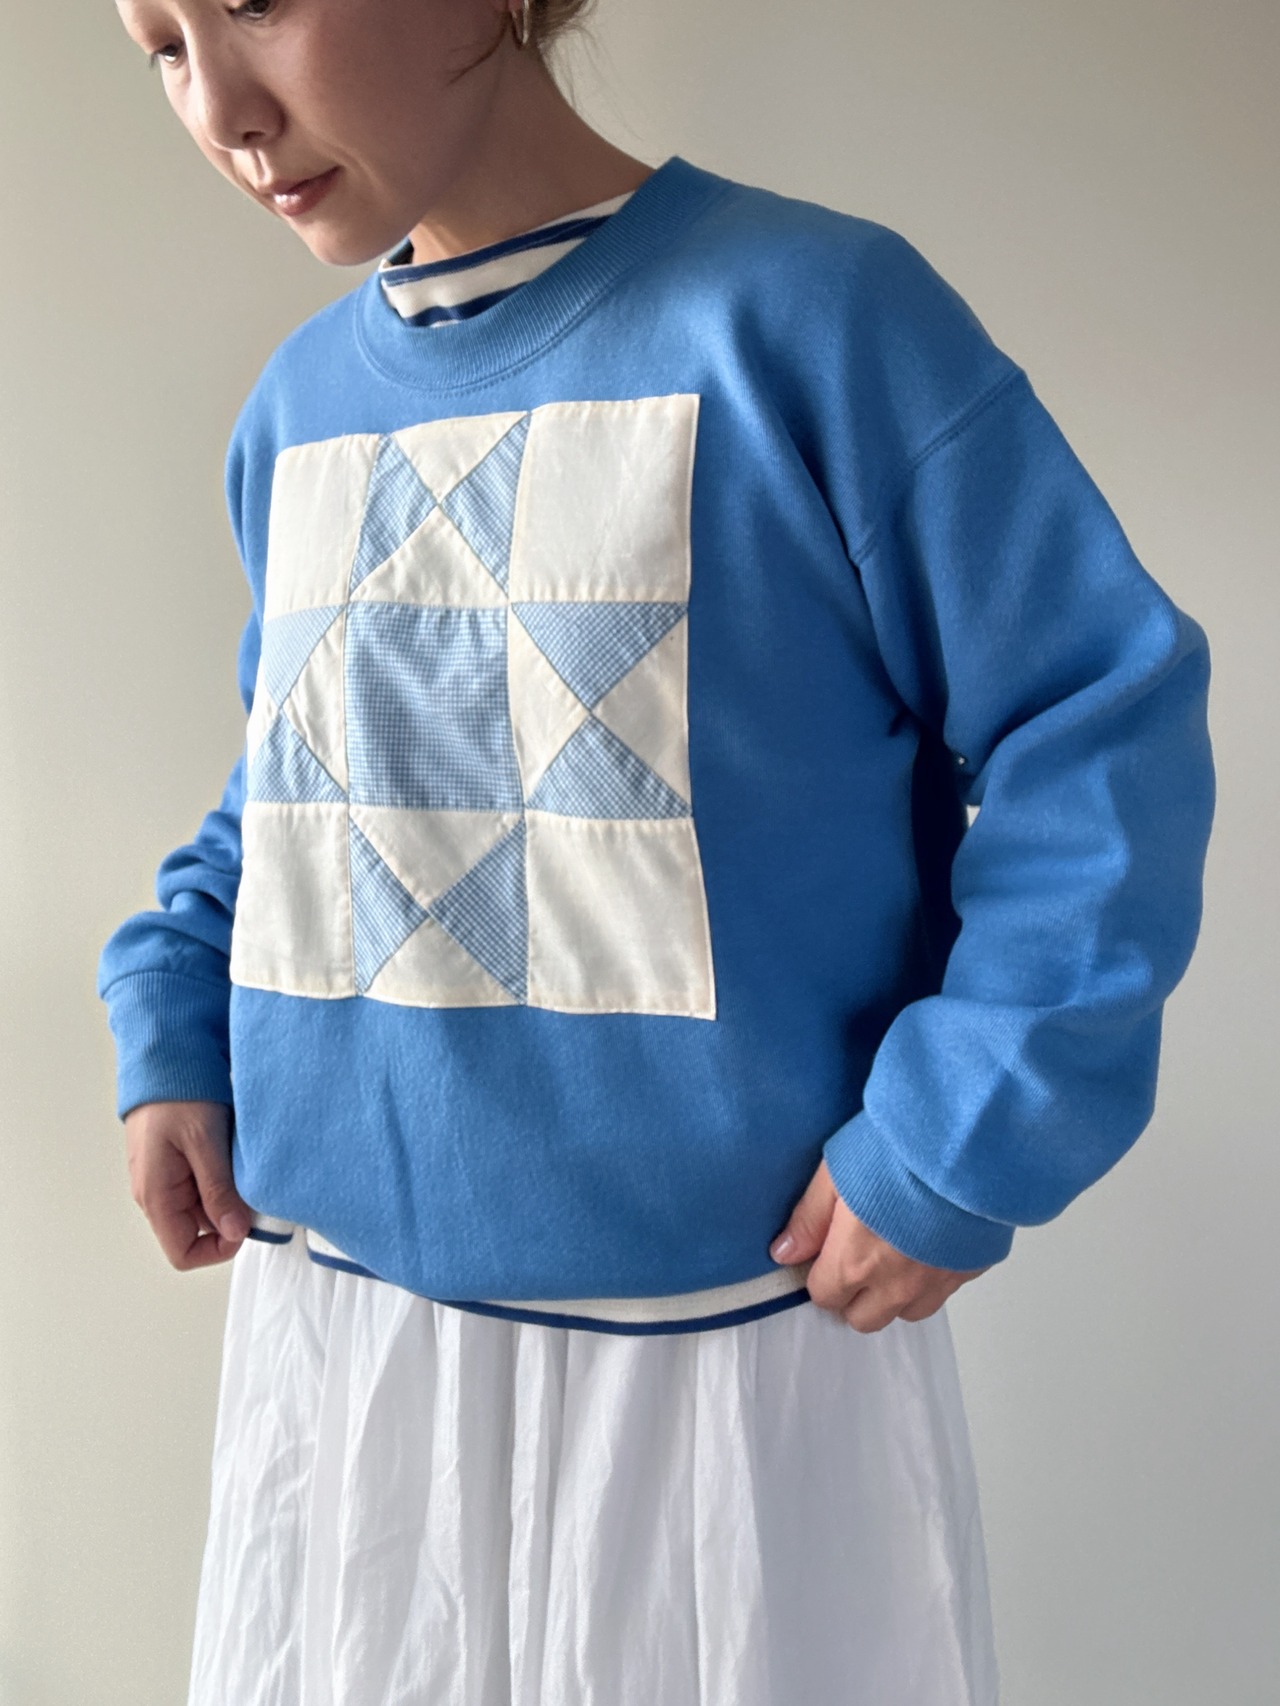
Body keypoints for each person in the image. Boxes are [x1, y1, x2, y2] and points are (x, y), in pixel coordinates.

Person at [98, 1, 1216, 1701]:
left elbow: (1096, 719)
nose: (220, 111)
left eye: (253, 2)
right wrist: (178, 1008)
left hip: (720, 1379)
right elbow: (301, 781)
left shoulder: (814, 323)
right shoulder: (295, 409)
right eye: (161, 45)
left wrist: (966, 1128)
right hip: (343, 1356)